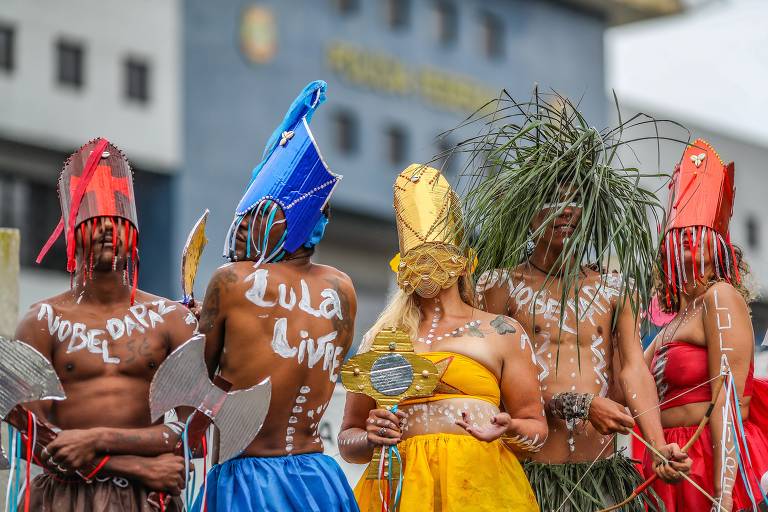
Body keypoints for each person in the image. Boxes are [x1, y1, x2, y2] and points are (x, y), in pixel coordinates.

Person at [464, 92, 691, 511]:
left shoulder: (615, 286)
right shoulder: (498, 287)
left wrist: (657, 446)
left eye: (575, 200)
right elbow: (487, 386)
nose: (565, 211)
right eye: (552, 200)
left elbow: (632, 367)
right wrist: (577, 404)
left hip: (601, 475)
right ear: (528, 213)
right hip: (526, 474)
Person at [339, 164, 546, 512]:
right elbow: (348, 440)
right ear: (403, 268)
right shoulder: (383, 339)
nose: (429, 270)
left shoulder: (501, 332)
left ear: (464, 262)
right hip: (397, 492)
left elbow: (536, 429)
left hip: (481, 491)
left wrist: (508, 428)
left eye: (438, 258)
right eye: (418, 261)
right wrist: (370, 437)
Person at [192, 80, 359, 512]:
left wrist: (190, 328)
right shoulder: (342, 288)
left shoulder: (232, 281)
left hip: (248, 479)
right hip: (319, 479)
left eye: (256, 212)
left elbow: (198, 388)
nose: (245, 223)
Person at [15, 138, 198, 511]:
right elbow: (29, 436)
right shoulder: (41, 321)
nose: (107, 231)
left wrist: (95, 438)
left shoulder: (172, 320)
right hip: (65, 497)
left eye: (118, 222)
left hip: (147, 500)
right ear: (72, 233)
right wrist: (133, 465)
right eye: (96, 222)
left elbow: (192, 430)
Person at [643, 139, 768, 512]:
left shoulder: (720, 298)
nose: (689, 250)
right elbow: (628, 387)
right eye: (680, 240)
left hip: (706, 460)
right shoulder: (670, 323)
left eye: (698, 240)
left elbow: (726, 400)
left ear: (718, 250)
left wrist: (724, 490)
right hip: (669, 460)